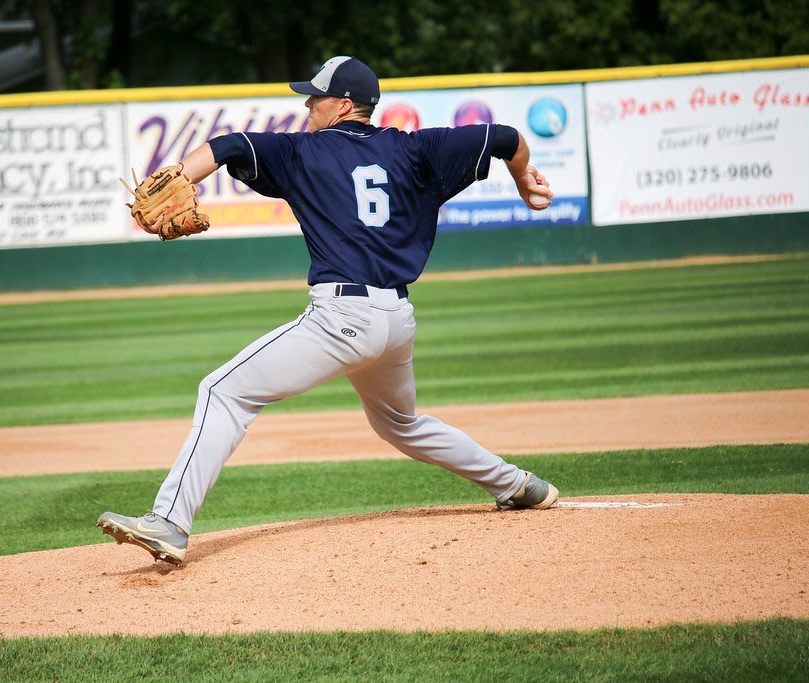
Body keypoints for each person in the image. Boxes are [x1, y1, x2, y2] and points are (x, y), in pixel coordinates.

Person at [98, 56, 559, 565]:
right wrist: (521, 180)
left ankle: (169, 523)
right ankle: (519, 485)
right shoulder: (416, 148)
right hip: (396, 321)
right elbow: (507, 137)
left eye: (314, 97)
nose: (306, 105)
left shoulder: (303, 152)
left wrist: (182, 174)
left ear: (342, 105)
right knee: (399, 423)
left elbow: (229, 146)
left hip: (342, 319)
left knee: (222, 391)